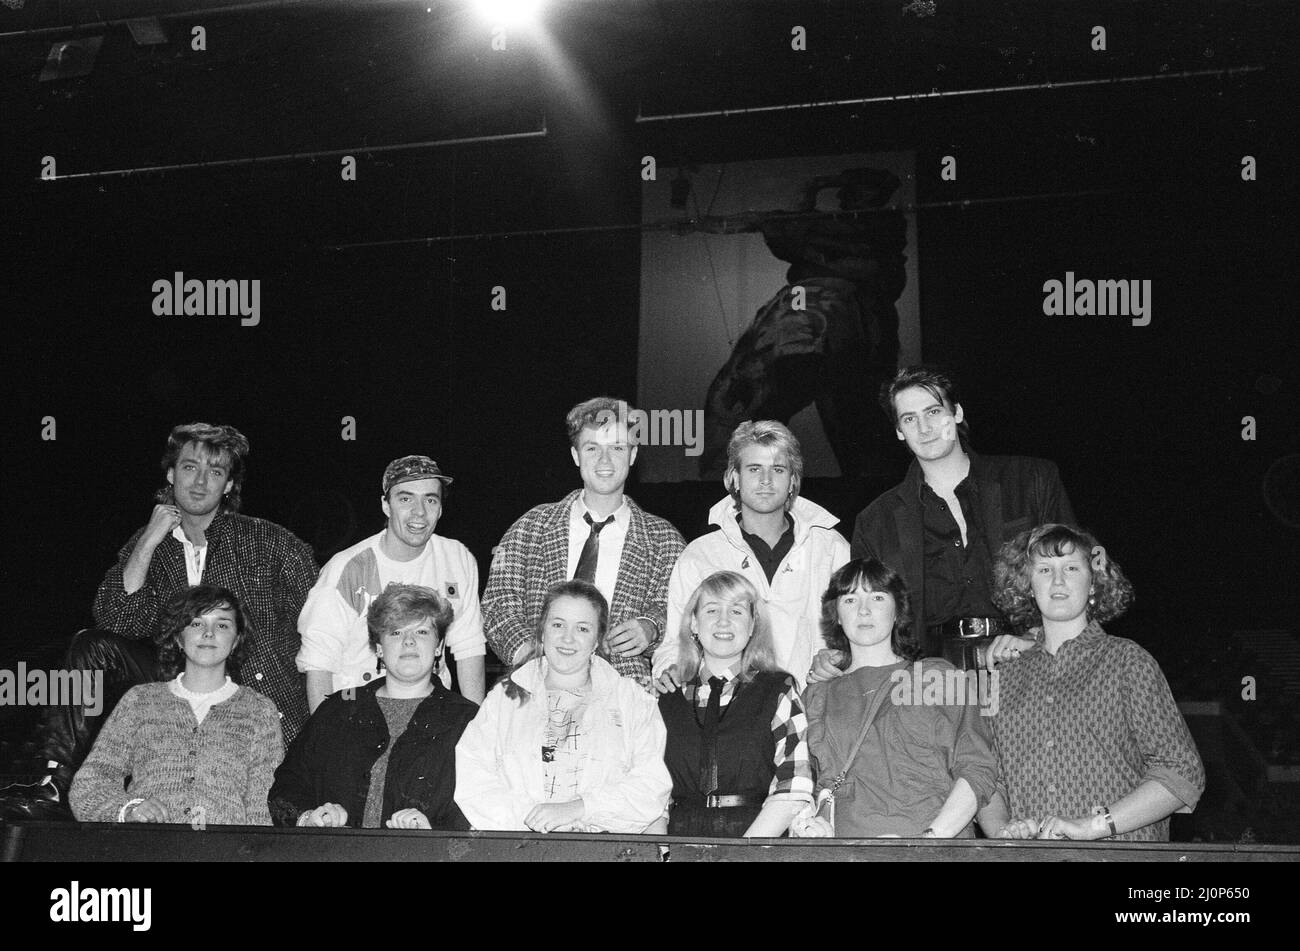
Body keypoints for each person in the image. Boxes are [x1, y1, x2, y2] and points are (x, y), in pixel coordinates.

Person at [2, 423, 317, 819]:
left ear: (229, 485)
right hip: (174, 680)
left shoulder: (270, 542)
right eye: (189, 468)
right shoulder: (151, 543)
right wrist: (149, 540)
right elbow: (117, 616)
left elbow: (318, 627)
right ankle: (50, 784)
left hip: (259, 696)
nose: (200, 483)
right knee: (90, 645)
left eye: (215, 473)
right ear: (171, 474)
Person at [812, 366, 1075, 682]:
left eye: (933, 412)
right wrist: (837, 654)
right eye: (909, 419)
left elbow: (1077, 573)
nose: (924, 428)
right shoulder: (875, 522)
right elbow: (865, 607)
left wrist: (1039, 637)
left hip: (1028, 661)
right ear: (899, 431)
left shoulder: (1032, 481)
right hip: (927, 679)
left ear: (957, 413)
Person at [977, 525, 1204, 842]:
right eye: (1044, 569)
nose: (1058, 580)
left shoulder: (1127, 661)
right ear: (1028, 584)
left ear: (1094, 582)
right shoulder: (1002, 678)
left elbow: (1182, 772)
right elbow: (987, 781)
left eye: (1071, 567)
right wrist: (1006, 834)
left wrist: (1092, 826)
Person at [698, 166, 908, 480]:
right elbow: (779, 227)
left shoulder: (881, 228)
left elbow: (794, 231)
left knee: (859, 427)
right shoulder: (836, 235)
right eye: (852, 190)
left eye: (866, 191)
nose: (855, 197)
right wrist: (812, 191)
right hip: (817, 320)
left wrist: (813, 194)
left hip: (837, 322)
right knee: (745, 401)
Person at [483, 397, 685, 691]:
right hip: (535, 689)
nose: (604, 461)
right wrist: (532, 658)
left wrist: (651, 627)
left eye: (616, 447)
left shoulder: (664, 539)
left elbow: (682, 612)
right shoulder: (531, 527)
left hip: (624, 697)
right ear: (576, 455)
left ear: (632, 455)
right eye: (592, 448)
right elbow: (498, 604)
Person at [798, 558, 998, 838]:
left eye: (877, 597)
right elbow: (799, 787)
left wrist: (928, 841)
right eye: (850, 600)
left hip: (934, 848)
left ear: (897, 611)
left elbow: (978, 768)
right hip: (846, 852)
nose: (864, 610)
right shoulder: (817, 695)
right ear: (837, 615)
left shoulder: (937, 676)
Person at [455, 579, 671, 833]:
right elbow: (475, 782)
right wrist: (535, 820)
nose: (567, 638)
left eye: (582, 628)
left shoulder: (632, 700)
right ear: (542, 631)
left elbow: (650, 787)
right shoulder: (503, 699)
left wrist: (581, 808)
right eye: (558, 625)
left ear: (597, 640)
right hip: (520, 847)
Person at [654, 420, 849, 691]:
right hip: (728, 718)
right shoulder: (699, 556)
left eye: (778, 469)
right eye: (754, 468)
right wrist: (669, 670)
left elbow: (858, 634)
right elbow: (675, 642)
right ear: (735, 477)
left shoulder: (831, 548)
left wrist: (839, 657)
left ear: (793, 480)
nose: (766, 481)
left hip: (817, 710)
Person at [69, 585, 282, 826]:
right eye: (196, 623)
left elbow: (262, 806)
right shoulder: (140, 701)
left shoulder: (259, 711)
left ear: (236, 641)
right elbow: (91, 782)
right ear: (179, 637)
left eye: (222, 625)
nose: (209, 633)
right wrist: (128, 809)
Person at [270, 584, 477, 830]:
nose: (409, 642)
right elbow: (287, 783)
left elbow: (482, 802)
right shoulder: (337, 709)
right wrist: (308, 818)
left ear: (439, 647)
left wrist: (433, 833)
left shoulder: (467, 719)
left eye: (421, 632)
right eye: (396, 633)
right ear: (379, 647)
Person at [296, 455, 486, 712]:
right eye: (406, 499)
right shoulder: (348, 567)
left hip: (430, 710)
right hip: (356, 708)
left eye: (430, 499)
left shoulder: (457, 558)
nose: (419, 511)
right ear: (386, 505)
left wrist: (477, 726)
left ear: (440, 508)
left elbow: (469, 646)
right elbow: (318, 662)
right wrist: (324, 736)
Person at [651, 571, 813, 837]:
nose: (723, 621)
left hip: (757, 838)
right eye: (712, 610)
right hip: (679, 839)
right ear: (693, 623)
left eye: (737, 611)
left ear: (752, 627)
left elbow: (794, 784)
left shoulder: (778, 689)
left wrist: (742, 854)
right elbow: (650, 791)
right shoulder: (667, 697)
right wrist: (664, 853)